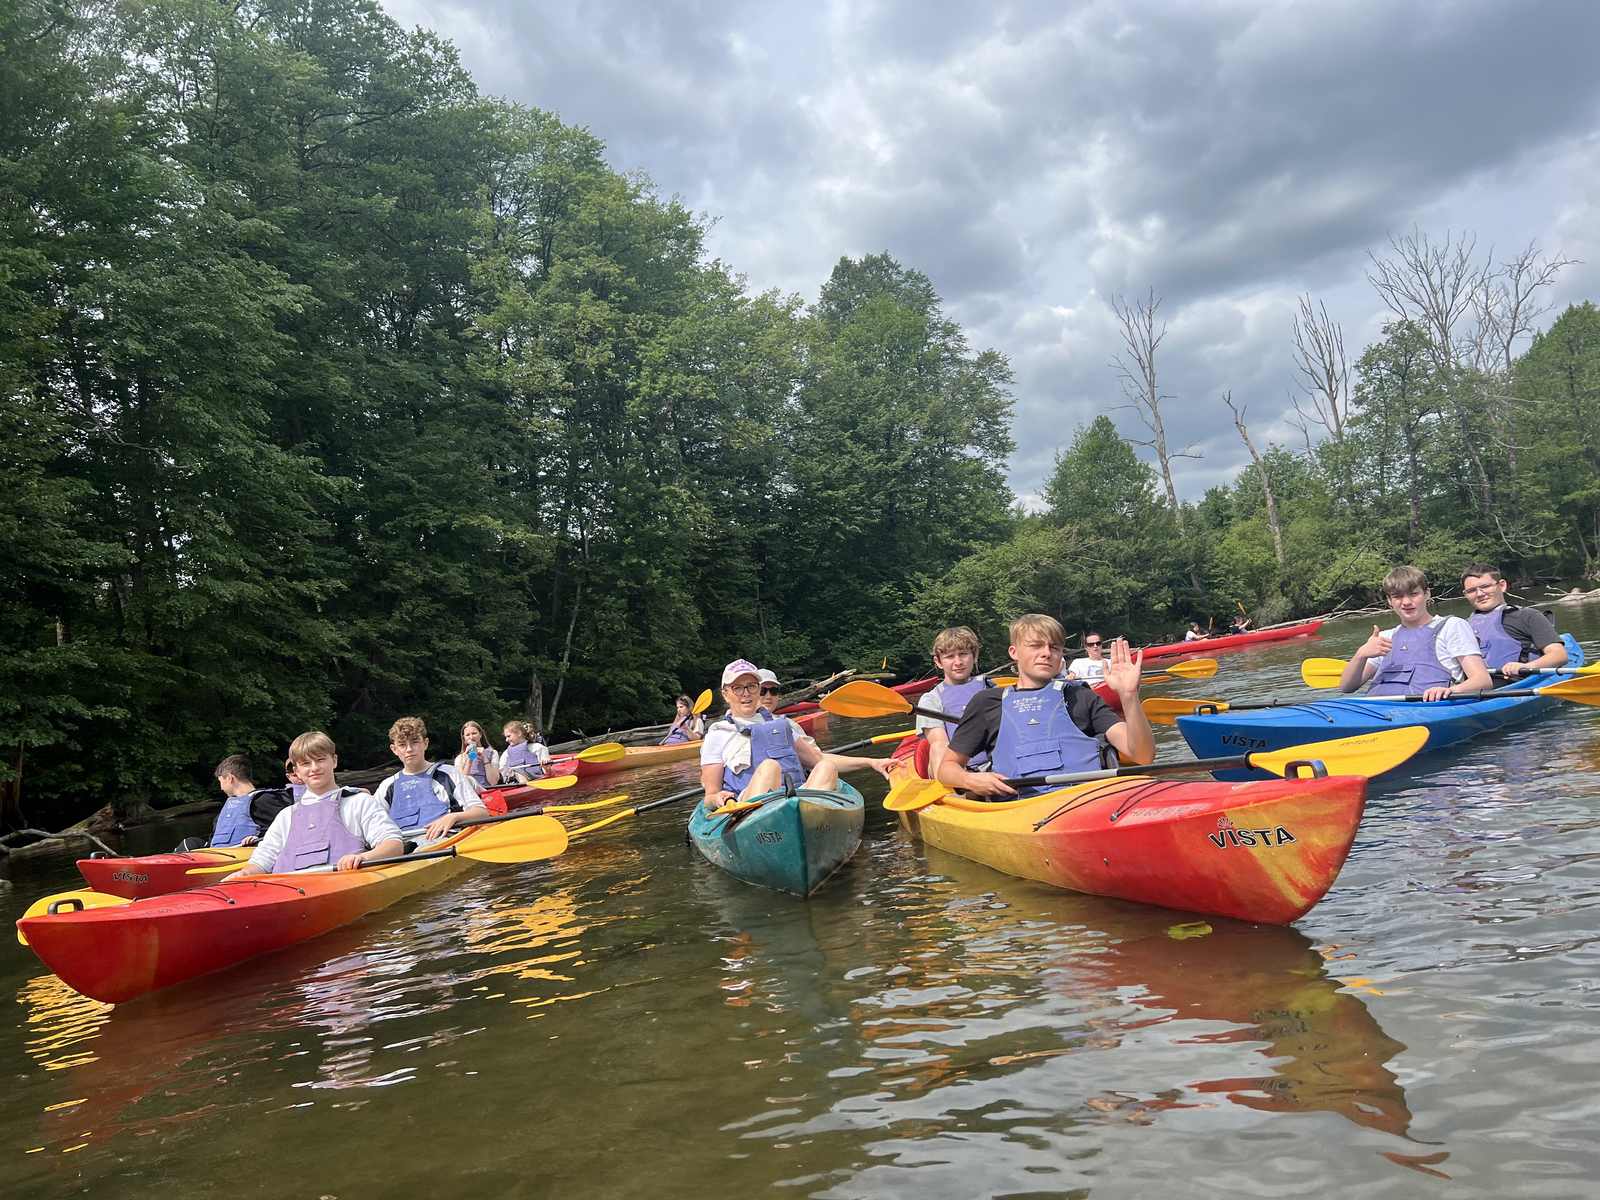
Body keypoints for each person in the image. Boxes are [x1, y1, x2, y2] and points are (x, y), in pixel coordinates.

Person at [938, 615, 1154, 797]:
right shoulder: (987, 703)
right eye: (1035, 646)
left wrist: (1129, 696)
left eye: (1054, 647)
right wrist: (970, 779)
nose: (1046, 653)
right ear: (1014, 652)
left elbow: (1142, 756)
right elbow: (946, 769)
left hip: (1087, 801)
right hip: (1021, 810)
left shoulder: (1080, 696)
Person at [700, 659, 897, 809]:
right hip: (751, 811)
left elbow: (819, 759)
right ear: (726, 694)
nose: (746, 693)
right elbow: (710, 795)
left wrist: (872, 762)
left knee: (826, 767)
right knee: (770, 767)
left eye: (751, 686)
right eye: (737, 688)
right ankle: (780, 822)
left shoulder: (782, 725)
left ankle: (809, 818)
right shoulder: (718, 734)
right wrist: (718, 798)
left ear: (757, 689)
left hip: (797, 804)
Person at [231, 732, 404, 876]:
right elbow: (262, 862)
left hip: (343, 884)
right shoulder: (286, 816)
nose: (314, 768)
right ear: (297, 771)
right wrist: (243, 874)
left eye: (320, 760)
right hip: (290, 890)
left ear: (334, 761)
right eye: (306, 763)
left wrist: (365, 857)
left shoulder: (359, 803)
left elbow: (394, 844)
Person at [1338, 565, 1493, 701]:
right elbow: (1347, 687)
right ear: (1389, 601)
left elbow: (1482, 680)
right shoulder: (1384, 638)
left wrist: (1451, 691)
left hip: (1428, 710)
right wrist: (1361, 654)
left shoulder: (1452, 626)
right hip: (1378, 712)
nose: (1406, 602)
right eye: (1397, 596)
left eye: (1413, 594)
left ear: (1427, 594)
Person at [373, 717, 486, 841]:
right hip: (402, 848)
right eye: (402, 745)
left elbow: (481, 812)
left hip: (443, 842)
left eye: (415, 742)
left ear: (425, 743)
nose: (409, 749)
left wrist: (454, 817)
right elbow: (374, 826)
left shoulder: (448, 773)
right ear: (394, 749)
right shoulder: (387, 786)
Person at [1460, 563, 1569, 679]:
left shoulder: (1527, 616)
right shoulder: (1462, 626)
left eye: (1485, 586)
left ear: (1502, 585)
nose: (1480, 594)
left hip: (1519, 682)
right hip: (1477, 690)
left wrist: (1526, 667)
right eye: (1471, 591)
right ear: (1465, 594)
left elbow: (1559, 655)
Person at [916, 626, 993, 781]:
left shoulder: (990, 688)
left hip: (994, 763)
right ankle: (951, 794)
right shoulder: (931, 699)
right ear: (938, 662)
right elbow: (940, 743)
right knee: (937, 748)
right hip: (958, 770)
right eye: (950, 657)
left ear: (974, 656)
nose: (958, 662)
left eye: (963, 654)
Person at [208, 755, 293, 848]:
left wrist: (259, 839)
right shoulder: (225, 810)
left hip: (246, 856)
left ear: (229, 778)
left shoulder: (262, 800)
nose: (221, 788)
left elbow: (287, 829)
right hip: (218, 856)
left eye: (220, 781)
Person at [455, 721, 502, 790]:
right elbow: (462, 783)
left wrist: (485, 758)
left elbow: (493, 782)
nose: (471, 737)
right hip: (470, 794)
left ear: (480, 734)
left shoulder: (493, 753)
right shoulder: (460, 758)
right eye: (467, 735)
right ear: (464, 738)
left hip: (488, 792)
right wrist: (469, 760)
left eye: (474, 733)